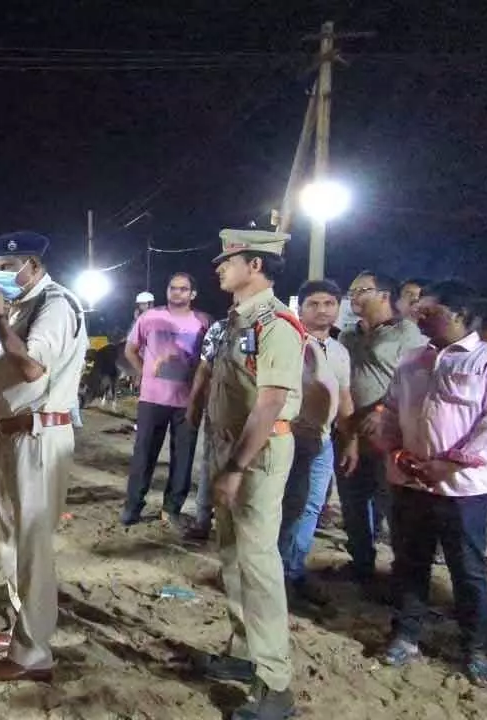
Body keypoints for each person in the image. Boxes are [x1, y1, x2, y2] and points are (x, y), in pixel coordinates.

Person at [370, 280, 487, 687]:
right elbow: (389, 411)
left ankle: (474, 649)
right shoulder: (411, 361)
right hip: (408, 482)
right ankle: (406, 635)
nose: (418, 315)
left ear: (458, 314)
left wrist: (446, 465)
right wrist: (398, 454)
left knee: (467, 570)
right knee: (409, 562)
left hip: (464, 490)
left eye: (429, 311)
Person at [197, 229, 305, 720]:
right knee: (234, 557)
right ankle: (244, 654)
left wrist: (236, 467)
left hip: (255, 455)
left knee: (259, 567)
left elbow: (271, 402)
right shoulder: (237, 320)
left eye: (230, 259)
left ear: (255, 265)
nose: (220, 266)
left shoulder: (276, 323)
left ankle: (275, 686)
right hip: (229, 448)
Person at [0, 231, 86, 683]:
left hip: (39, 438)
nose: (1, 274)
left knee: (33, 545)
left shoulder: (54, 305)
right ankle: (26, 629)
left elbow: (33, 367)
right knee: (13, 541)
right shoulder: (26, 305)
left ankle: (34, 653)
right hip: (14, 436)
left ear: (33, 267)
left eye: (10, 265)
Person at [337, 271, 426, 590]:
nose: (354, 298)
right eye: (351, 292)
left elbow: (416, 383)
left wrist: (380, 409)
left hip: (388, 436)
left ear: (384, 295)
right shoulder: (347, 335)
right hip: (349, 433)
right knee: (353, 502)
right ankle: (360, 562)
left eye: (361, 291)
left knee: (393, 506)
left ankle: (404, 576)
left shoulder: (408, 334)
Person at [278, 280, 354, 612]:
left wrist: (350, 441)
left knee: (311, 508)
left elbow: (346, 398)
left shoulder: (339, 351)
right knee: (289, 507)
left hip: (324, 442)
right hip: (292, 438)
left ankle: (294, 571)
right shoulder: (286, 344)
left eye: (328, 303)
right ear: (300, 307)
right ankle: (277, 575)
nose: (321, 310)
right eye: (313, 303)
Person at [121, 273, 210, 527]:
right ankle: (133, 506)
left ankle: (172, 508)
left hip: (187, 401)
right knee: (143, 455)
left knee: (183, 458)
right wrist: (145, 373)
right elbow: (131, 349)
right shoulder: (149, 318)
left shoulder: (202, 322)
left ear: (193, 294)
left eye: (184, 289)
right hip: (152, 399)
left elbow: (208, 361)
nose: (177, 293)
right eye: (173, 288)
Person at [183, 313, 231, 541]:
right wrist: (194, 402)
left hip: (253, 414)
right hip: (218, 410)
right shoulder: (220, 328)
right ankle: (202, 519)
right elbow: (204, 367)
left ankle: (230, 523)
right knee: (210, 463)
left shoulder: (270, 327)